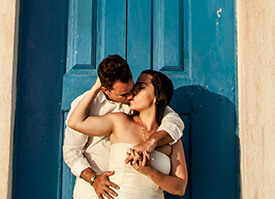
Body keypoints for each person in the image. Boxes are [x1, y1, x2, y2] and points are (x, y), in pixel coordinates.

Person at [63, 55, 184, 199]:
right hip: (92, 191)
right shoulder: (94, 109)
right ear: (106, 90)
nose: (131, 95)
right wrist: (93, 179)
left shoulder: (166, 128)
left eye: (135, 88)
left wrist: (151, 143)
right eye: (124, 94)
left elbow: (175, 121)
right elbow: (72, 147)